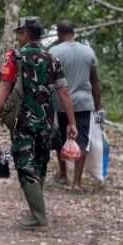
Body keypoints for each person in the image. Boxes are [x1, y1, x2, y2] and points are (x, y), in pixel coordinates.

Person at [0, 17, 77, 231]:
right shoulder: (53, 60)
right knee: (40, 164)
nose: (17, 37)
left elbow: (5, 87)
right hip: (46, 122)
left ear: (25, 34)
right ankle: (36, 211)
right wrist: (71, 122)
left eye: (19, 33)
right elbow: (63, 92)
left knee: (25, 165)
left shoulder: (14, 57)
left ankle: (39, 217)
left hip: (23, 121)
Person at [49, 21, 102, 190]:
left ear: (59, 33)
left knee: (60, 137)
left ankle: (63, 174)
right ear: (74, 32)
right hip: (84, 102)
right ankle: (77, 183)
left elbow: (48, 81)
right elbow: (94, 81)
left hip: (60, 103)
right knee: (82, 139)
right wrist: (98, 107)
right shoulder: (88, 51)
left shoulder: (54, 52)